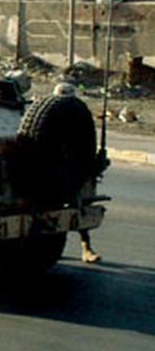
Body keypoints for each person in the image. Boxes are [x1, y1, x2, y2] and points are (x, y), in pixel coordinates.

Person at [53, 82, 102, 264]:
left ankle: (86, 247)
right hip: (52, 169)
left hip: (71, 169)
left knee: (78, 205)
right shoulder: (48, 116)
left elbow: (86, 143)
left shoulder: (78, 116)